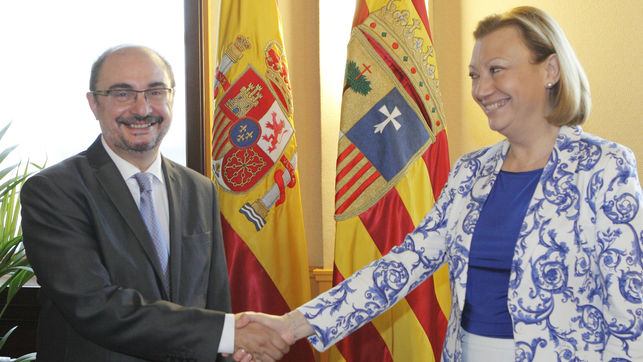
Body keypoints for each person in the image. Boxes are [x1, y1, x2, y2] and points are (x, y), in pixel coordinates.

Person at [235, 6, 643, 362]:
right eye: (474, 75)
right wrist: (290, 325)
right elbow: (402, 265)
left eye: (496, 70)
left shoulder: (604, 167)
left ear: (550, 70)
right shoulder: (471, 171)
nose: (481, 90)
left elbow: (630, 313)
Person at [20, 45, 289, 362]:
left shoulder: (200, 190)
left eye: (156, 91)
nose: (142, 108)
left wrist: (232, 349)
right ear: (94, 103)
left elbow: (215, 302)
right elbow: (94, 305)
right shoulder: (52, 192)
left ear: (172, 97)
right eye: (122, 93)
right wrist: (227, 333)